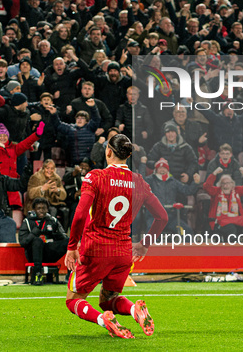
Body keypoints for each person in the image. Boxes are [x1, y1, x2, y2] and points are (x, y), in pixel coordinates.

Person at [64, 134, 168, 339]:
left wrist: (72, 246)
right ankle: (133, 310)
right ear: (128, 155)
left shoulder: (96, 177)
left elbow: (80, 214)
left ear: (108, 151)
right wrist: (144, 245)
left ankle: (104, 320)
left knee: (73, 299)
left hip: (96, 248)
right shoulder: (139, 182)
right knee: (108, 299)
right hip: (123, 252)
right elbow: (162, 217)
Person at [19, 197, 69, 285]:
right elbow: (23, 242)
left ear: (47, 209)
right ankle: (37, 275)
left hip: (49, 252)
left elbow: (63, 238)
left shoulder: (52, 220)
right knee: (37, 241)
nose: (41, 211)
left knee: (69, 242)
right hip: (33, 253)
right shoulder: (27, 221)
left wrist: (55, 233)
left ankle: (70, 275)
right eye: (39, 208)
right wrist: (37, 231)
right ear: (34, 209)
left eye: (44, 208)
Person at [203, 165, 243, 238]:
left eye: (228, 183)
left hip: (236, 220)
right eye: (223, 183)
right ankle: (233, 249)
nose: (226, 186)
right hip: (220, 222)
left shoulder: (236, 191)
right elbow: (206, 187)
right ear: (220, 185)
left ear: (232, 184)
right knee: (231, 228)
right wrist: (214, 173)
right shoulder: (216, 192)